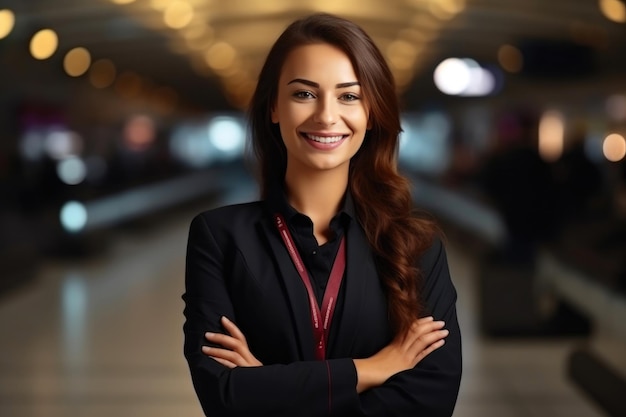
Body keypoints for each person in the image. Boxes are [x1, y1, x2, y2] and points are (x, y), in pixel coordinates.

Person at [183, 13, 462, 417]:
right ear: (273, 108)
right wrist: (373, 369)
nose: (327, 116)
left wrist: (268, 385)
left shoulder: (416, 245)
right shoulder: (219, 237)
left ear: (372, 113)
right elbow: (223, 396)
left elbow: (430, 400)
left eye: (349, 96)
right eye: (304, 94)